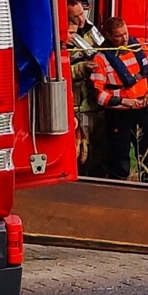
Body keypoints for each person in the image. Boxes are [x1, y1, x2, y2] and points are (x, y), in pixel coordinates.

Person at [89, 16, 148, 182]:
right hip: (118, 115)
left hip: (142, 109)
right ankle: (118, 191)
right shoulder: (101, 59)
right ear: (108, 36)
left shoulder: (140, 48)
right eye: (118, 36)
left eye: (125, 33)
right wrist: (123, 101)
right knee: (118, 158)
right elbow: (98, 95)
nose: (124, 38)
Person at [66, 19, 107, 177]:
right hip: (73, 104)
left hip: (89, 104)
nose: (72, 36)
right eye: (69, 32)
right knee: (77, 148)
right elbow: (57, 73)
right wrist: (82, 67)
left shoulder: (88, 36)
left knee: (89, 146)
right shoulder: (54, 46)